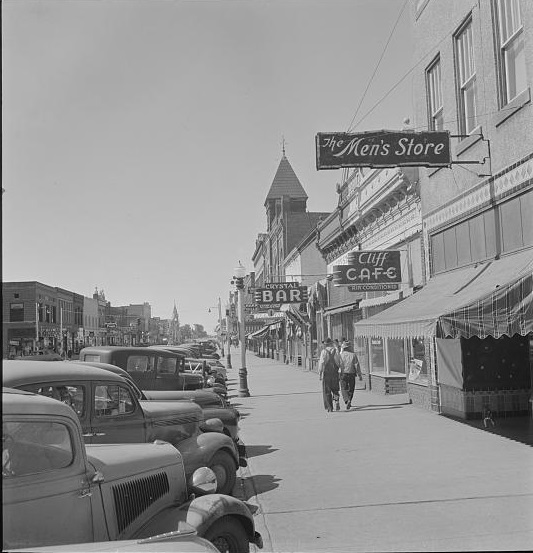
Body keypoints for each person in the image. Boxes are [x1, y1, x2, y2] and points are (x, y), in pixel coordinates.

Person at [318, 337, 342, 412]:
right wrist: (341, 370)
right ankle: (337, 401)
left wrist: (320, 373)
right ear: (331, 343)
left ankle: (330, 407)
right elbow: (340, 362)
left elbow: (321, 363)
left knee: (327, 391)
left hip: (327, 374)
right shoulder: (336, 351)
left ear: (325, 344)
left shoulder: (324, 352)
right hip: (335, 373)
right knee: (335, 389)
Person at [339, 339, 363, 410]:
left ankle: (346, 400)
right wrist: (359, 375)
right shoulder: (353, 355)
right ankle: (349, 399)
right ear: (349, 347)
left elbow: (338, 364)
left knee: (343, 388)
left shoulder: (341, 355)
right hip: (352, 373)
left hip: (343, 373)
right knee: (351, 388)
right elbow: (357, 365)